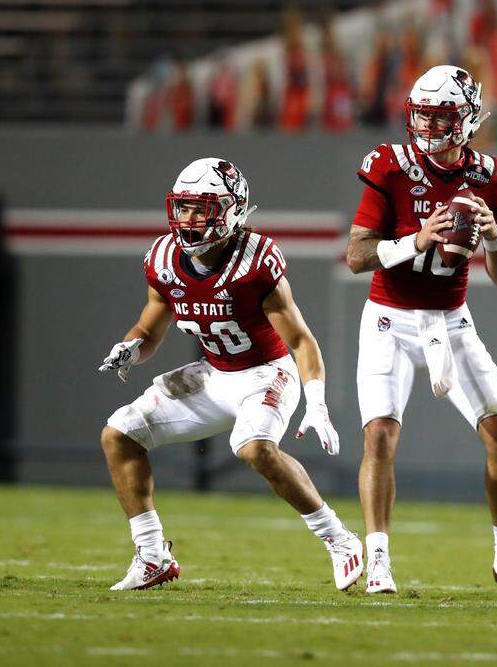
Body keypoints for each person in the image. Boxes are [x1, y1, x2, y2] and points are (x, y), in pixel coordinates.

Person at [98, 158, 362, 592]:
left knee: (254, 448)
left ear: (232, 210)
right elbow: (149, 329)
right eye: (183, 208)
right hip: (213, 375)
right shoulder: (163, 259)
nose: (188, 219)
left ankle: (339, 538)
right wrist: (130, 347)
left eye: (201, 208)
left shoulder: (255, 261)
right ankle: (152, 556)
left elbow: (300, 341)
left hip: (264, 373)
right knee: (118, 434)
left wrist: (316, 401)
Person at [346, 65, 497, 594]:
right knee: (380, 435)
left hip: (451, 319)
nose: (428, 125)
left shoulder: (493, 177)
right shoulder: (389, 166)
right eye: (422, 113)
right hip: (388, 318)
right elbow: (356, 255)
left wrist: (493, 237)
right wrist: (417, 241)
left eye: (441, 116)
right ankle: (378, 558)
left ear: (467, 119)